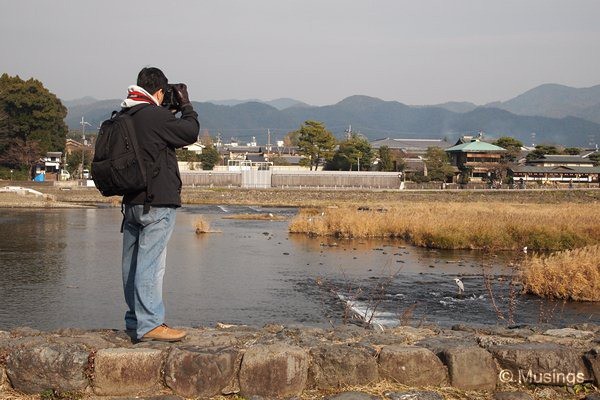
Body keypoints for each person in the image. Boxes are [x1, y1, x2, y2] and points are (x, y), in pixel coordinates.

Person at [120, 67, 199, 342]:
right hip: (157, 202)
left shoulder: (126, 114)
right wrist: (187, 105)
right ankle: (151, 323)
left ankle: (136, 321)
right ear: (159, 91)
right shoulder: (154, 115)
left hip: (131, 201)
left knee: (131, 264)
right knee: (151, 264)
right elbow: (190, 132)